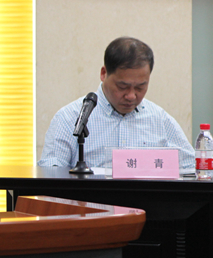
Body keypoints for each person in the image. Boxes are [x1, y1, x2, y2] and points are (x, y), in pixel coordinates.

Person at [38, 36, 194, 170]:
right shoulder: (69, 118)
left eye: (140, 87)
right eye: (122, 86)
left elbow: (193, 167)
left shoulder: (159, 120)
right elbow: (51, 171)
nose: (131, 96)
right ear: (103, 73)